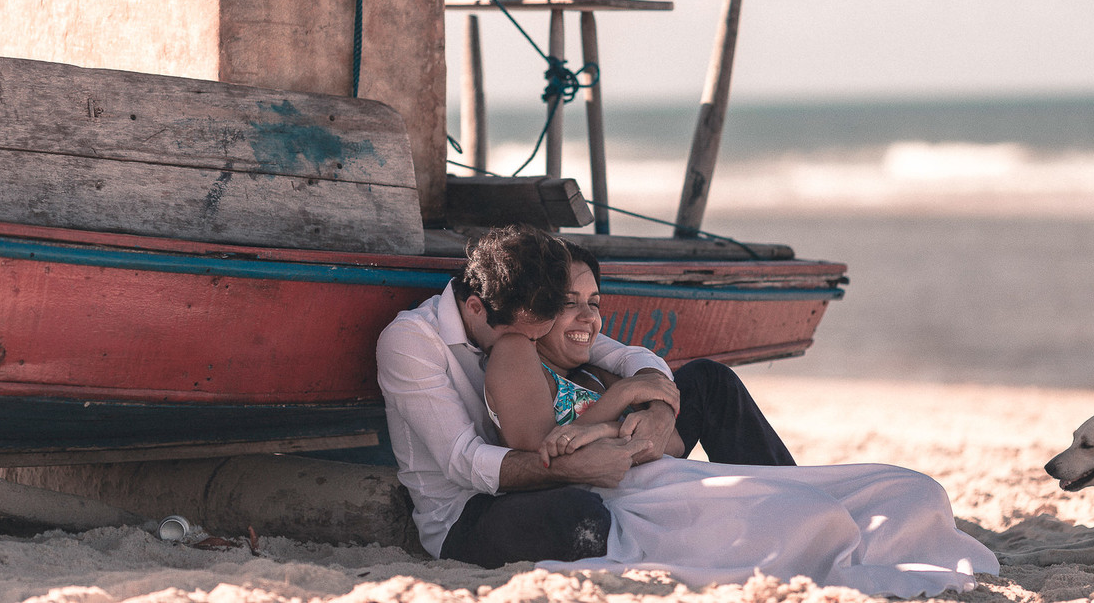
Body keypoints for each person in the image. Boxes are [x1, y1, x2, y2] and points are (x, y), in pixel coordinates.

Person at [482, 243, 1001, 596]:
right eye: (568, 304)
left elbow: (657, 439)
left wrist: (627, 412)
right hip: (634, 503)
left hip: (672, 477)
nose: (588, 318)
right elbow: (544, 450)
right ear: (538, 307)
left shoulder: (593, 363)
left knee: (912, 490)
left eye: (594, 303)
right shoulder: (517, 353)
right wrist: (622, 402)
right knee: (816, 517)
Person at [376, 225, 796, 568]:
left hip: (566, 462)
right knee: (578, 514)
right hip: (470, 511)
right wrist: (569, 466)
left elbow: (627, 356)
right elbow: (463, 463)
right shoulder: (412, 341)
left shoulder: (527, 313)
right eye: (520, 336)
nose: (528, 345)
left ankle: (791, 495)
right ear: (474, 308)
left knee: (709, 380)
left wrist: (659, 409)